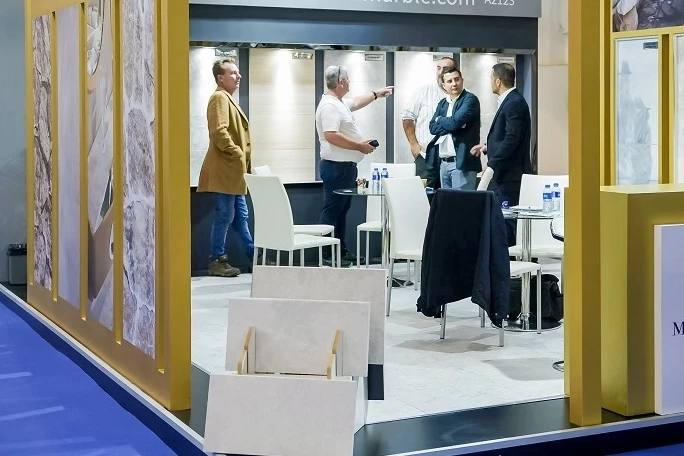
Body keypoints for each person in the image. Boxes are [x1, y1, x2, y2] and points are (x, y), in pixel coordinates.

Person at [316, 64, 393, 266]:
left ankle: (340, 251)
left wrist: (376, 94)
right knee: (332, 210)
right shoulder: (330, 106)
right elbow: (331, 135)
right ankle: (327, 255)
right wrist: (359, 146)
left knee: (341, 211)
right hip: (336, 168)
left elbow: (357, 102)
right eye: (348, 79)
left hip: (345, 168)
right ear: (341, 82)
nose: (350, 82)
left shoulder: (339, 103)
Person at [197, 58, 261, 277]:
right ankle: (216, 260)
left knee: (240, 216)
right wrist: (237, 153)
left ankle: (255, 257)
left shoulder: (227, 98)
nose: (238, 76)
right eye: (233, 73)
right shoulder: (219, 98)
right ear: (220, 78)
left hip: (233, 173)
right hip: (226, 171)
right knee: (225, 215)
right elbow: (218, 131)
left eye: (238, 72)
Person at [470, 63, 533, 246]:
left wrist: (492, 164)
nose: (490, 81)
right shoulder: (511, 101)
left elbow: (512, 139)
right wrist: (487, 147)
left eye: (491, 78)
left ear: (498, 81)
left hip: (510, 176)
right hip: (505, 175)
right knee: (503, 222)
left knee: (509, 224)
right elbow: (507, 137)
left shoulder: (514, 103)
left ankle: (510, 262)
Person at [401, 56, 455, 189]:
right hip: (426, 157)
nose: (440, 72)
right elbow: (407, 118)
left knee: (450, 198)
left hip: (452, 161)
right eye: (438, 68)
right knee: (424, 197)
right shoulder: (424, 91)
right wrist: (414, 145)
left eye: (445, 69)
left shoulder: (464, 96)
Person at [425, 66, 482, 190]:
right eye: (449, 81)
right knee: (446, 202)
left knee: (461, 201)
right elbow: (432, 127)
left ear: (462, 80)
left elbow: (454, 123)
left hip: (462, 164)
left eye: (457, 79)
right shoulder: (443, 103)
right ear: (444, 85)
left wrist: (440, 119)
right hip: (443, 163)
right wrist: (453, 124)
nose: (454, 84)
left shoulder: (470, 99)